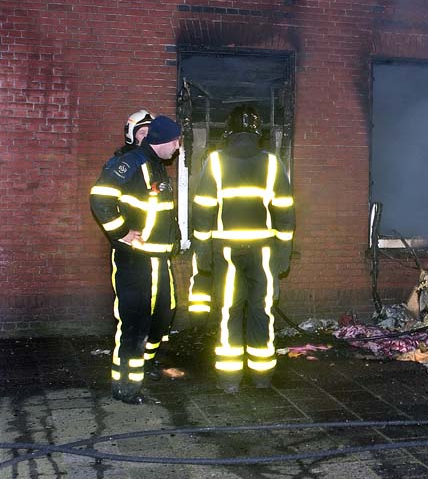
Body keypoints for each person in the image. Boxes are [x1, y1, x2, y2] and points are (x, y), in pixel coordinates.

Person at [189, 105, 295, 393]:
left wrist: (202, 252)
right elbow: (285, 213)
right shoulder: (273, 164)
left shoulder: (215, 163)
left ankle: (230, 381)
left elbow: (203, 212)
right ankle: (262, 378)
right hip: (264, 252)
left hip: (226, 251)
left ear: (229, 131)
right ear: (257, 131)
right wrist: (283, 255)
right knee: (262, 311)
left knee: (228, 312)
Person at [89, 116, 182, 404]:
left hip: (159, 257)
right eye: (176, 141)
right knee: (135, 320)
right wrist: (122, 232)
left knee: (164, 313)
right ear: (163, 140)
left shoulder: (156, 165)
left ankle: (147, 362)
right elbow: (100, 197)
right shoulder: (132, 163)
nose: (178, 147)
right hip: (135, 259)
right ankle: (126, 386)